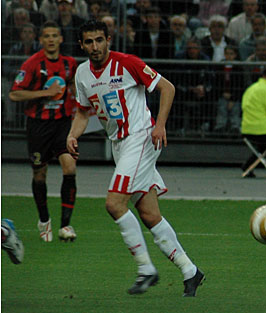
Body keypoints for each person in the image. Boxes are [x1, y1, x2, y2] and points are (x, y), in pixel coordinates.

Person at [66, 20, 205, 297]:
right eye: (89, 42)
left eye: (99, 40)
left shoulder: (128, 63)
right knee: (150, 214)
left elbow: (168, 88)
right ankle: (190, 270)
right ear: (82, 45)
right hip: (120, 145)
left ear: (109, 40)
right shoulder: (82, 73)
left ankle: (145, 269)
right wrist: (73, 134)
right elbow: (83, 112)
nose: (95, 46)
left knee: (114, 204)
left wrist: (160, 125)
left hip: (141, 138)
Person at [9, 21, 78, 243]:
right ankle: (44, 219)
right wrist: (44, 93)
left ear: (60, 39)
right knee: (40, 173)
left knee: (70, 167)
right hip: (38, 126)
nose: (50, 39)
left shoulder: (70, 64)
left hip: (62, 123)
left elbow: (75, 87)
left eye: (54, 35)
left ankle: (66, 225)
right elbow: (14, 94)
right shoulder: (31, 64)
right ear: (41, 40)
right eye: (46, 35)